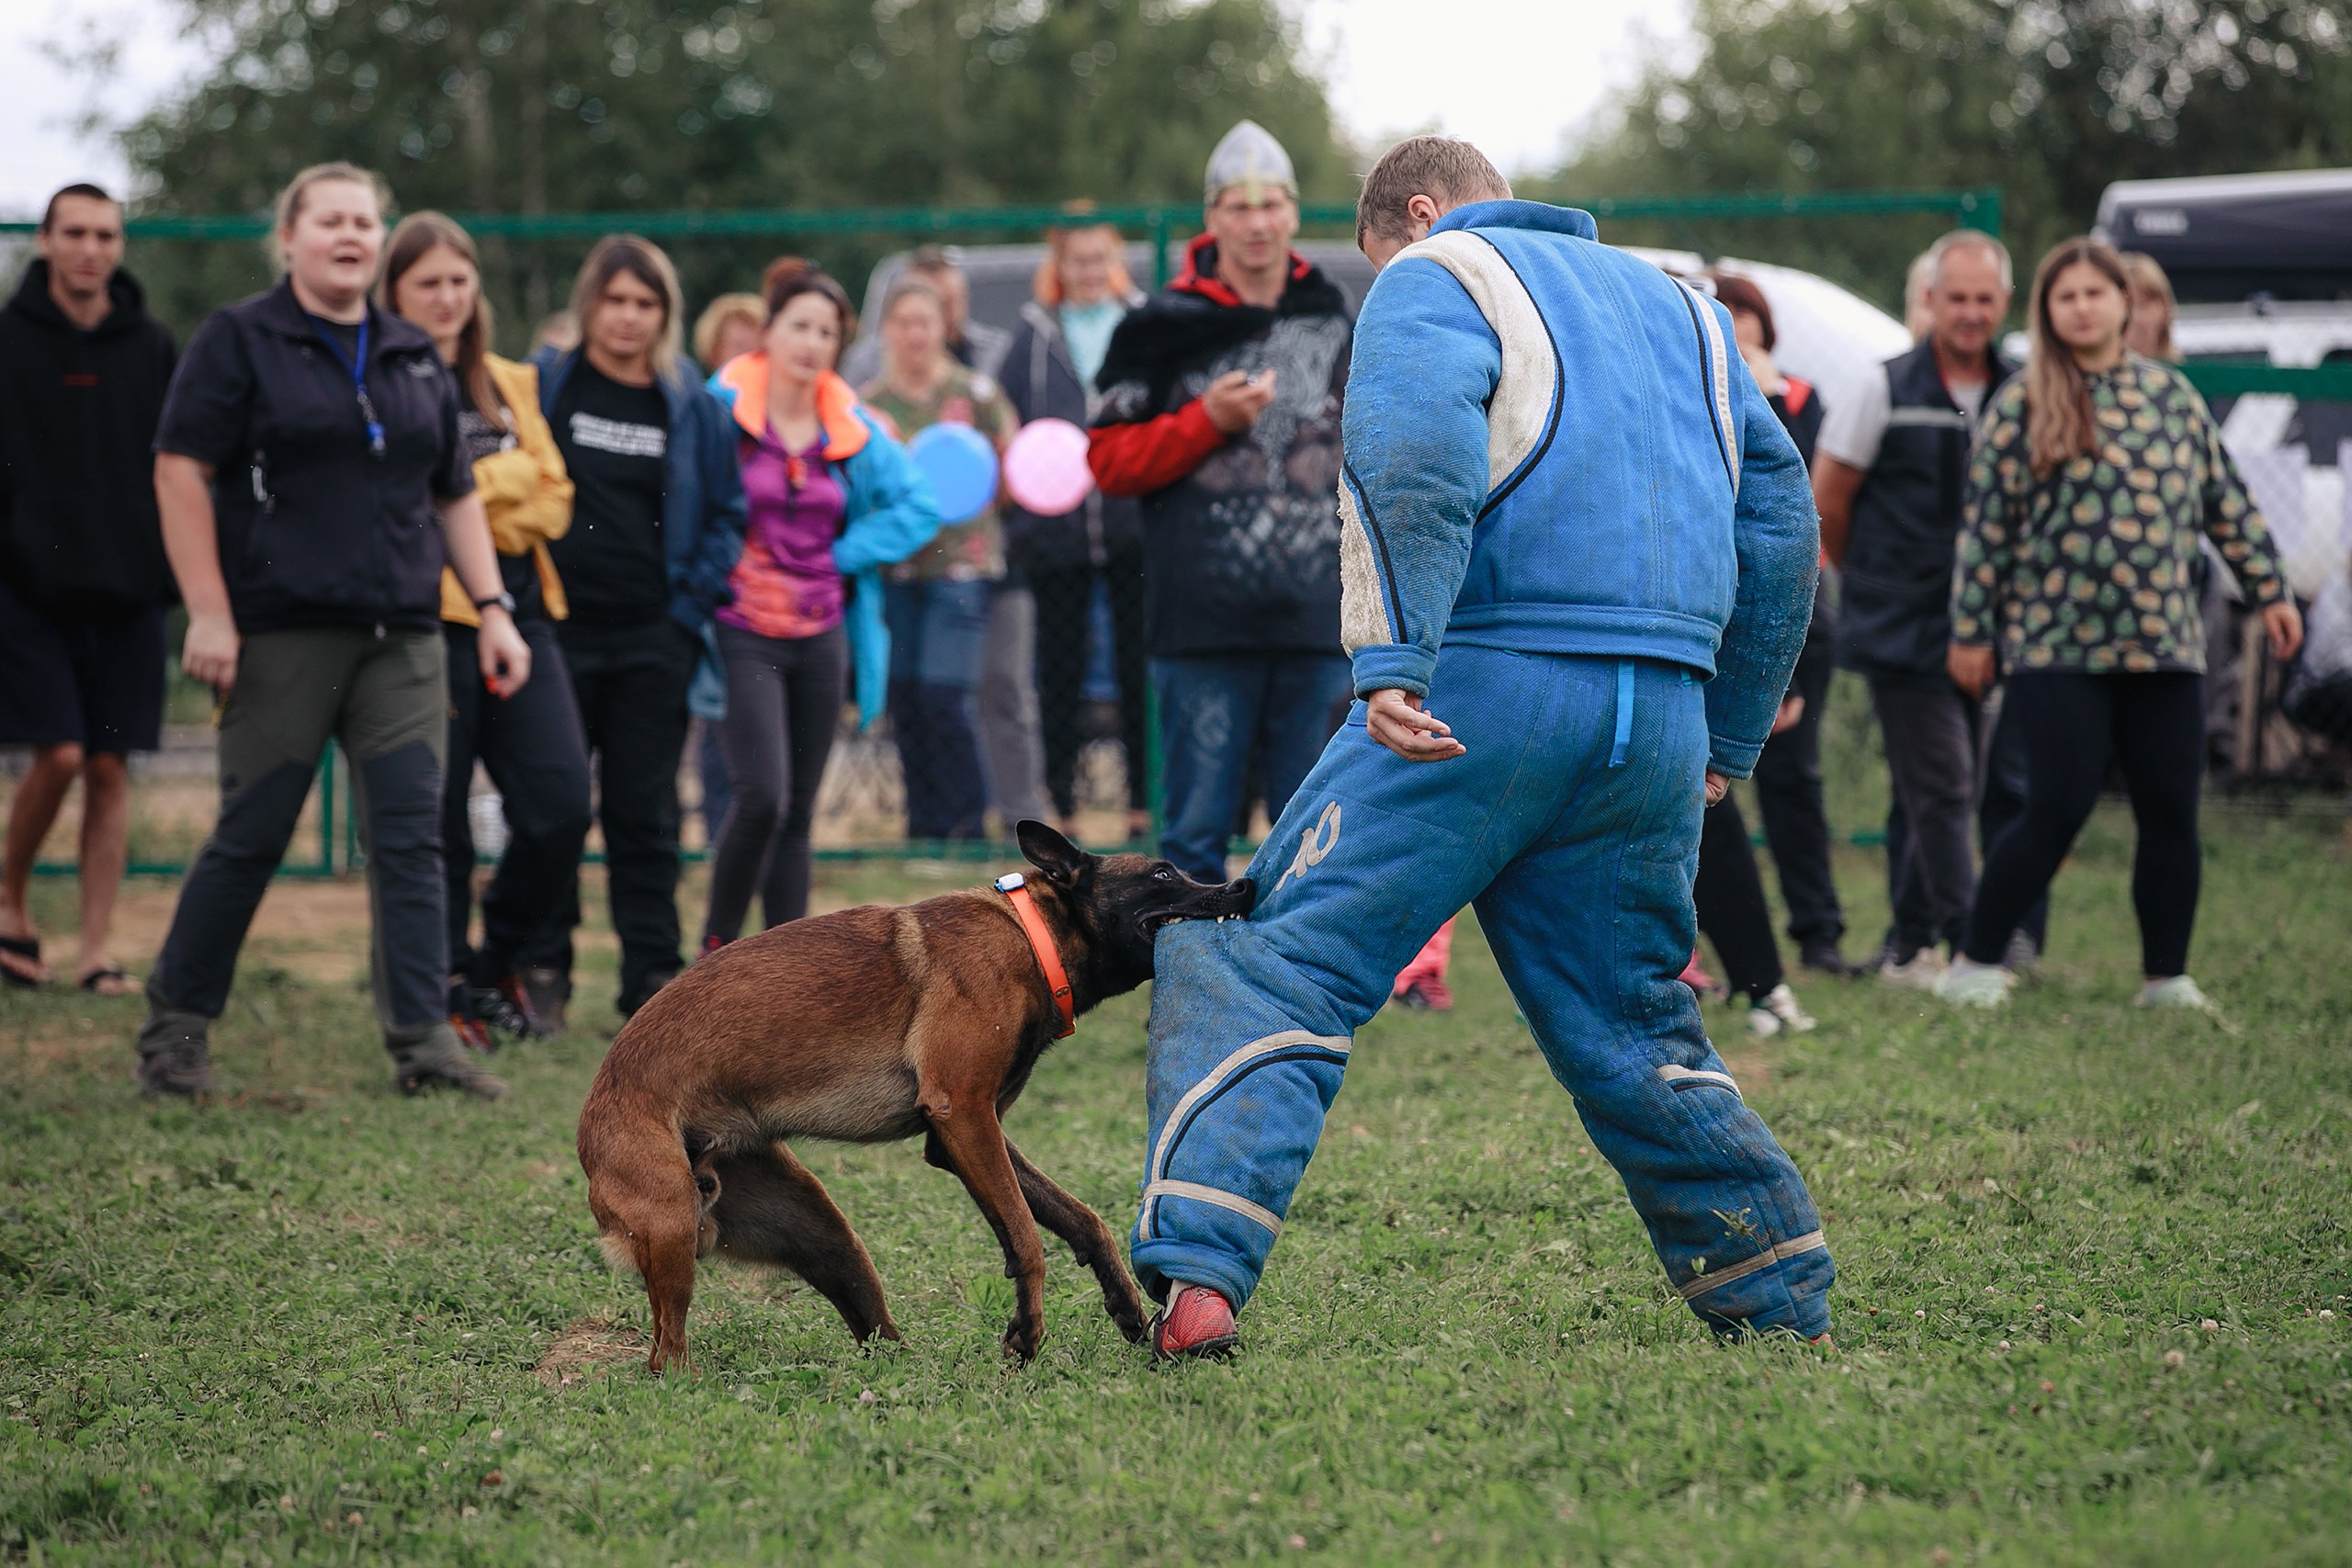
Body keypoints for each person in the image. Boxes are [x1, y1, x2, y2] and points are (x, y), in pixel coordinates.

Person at [1136, 137, 1830, 1359]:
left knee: (1268, 949)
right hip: (1657, 712)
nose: (1385, 279)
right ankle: (1777, 1289)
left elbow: (1412, 450)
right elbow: (1782, 515)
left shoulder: (1441, 268)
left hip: (1485, 688)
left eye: (1379, 259)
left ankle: (1199, 1272)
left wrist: (1392, 657)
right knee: (1633, 1019)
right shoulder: (1688, 306)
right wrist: (1726, 727)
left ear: (1417, 213)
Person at [138, 163, 528, 1100]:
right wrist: (210, 611)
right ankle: (175, 1035)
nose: (350, 234)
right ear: (291, 239)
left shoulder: (408, 351)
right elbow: (180, 471)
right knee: (253, 832)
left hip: (403, 638)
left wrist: (493, 609)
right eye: (330, 221)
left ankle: (424, 1044)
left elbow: (454, 492)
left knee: (409, 839)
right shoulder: (241, 339)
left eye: (364, 220)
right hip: (281, 634)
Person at [1939, 239, 2301, 1010]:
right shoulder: (2023, 403)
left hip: (2166, 646)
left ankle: (2165, 978)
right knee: (2056, 806)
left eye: (2093, 294)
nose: (2081, 307)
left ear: (2123, 303)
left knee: (2171, 812)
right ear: (2047, 311)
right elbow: (1985, 532)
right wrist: (1971, 631)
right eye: (2064, 296)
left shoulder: (2172, 397)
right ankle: (1973, 960)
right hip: (2056, 650)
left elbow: (2226, 504)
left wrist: (2271, 590)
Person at [1089, 119, 1353, 882]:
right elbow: (1106, 458)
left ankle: (1299, 1002)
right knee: (1194, 843)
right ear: (1212, 219)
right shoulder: (1158, 329)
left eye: (1270, 203)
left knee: (1316, 844)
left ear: (1294, 212)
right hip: (1202, 631)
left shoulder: (1335, 319)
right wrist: (1204, 423)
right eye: (1238, 206)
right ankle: (1189, 1000)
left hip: (1316, 627)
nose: (1257, 222)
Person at [381, 212, 590, 1044]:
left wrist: (468, 486)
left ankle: (495, 957)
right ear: (394, 293)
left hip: (520, 618)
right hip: (425, 621)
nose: (446, 297)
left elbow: (555, 499)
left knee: (563, 803)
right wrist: (491, 487)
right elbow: (410, 506)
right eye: (426, 283)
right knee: (439, 824)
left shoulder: (510, 382)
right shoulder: (384, 383)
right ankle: (442, 994)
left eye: (458, 281)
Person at [533, 236, 746, 1020]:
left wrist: (685, 612)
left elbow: (727, 513)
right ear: (590, 303)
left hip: (653, 637)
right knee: (552, 807)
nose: (627, 317)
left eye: (644, 303)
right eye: (614, 300)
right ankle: (541, 971)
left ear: (664, 313)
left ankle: (651, 983)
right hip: (554, 634)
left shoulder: (690, 403)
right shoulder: (547, 386)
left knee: (644, 813)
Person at [1815, 229, 2032, 988]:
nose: (1970, 313)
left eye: (1984, 299)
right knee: (1944, 785)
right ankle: (1972, 948)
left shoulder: (2021, 388)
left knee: (1938, 785)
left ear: (2003, 302)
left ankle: (1909, 945)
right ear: (1930, 300)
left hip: (1988, 624)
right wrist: (1874, 581)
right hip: (1900, 626)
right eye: (1956, 298)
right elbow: (1829, 500)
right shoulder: (1884, 386)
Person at [700, 263, 938, 944]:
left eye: (826, 332)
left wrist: (840, 556)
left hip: (822, 627)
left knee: (799, 811)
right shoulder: (721, 411)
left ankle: (785, 970)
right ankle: (712, 950)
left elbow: (919, 504)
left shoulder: (852, 425)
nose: (811, 342)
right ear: (768, 330)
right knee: (761, 796)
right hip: (742, 622)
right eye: (798, 325)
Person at [0, 184, 177, 995]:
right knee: (60, 754)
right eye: (74, 232)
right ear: (44, 241)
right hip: (26, 594)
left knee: (109, 769)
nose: (90, 248)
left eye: (105, 233)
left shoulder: (151, 347)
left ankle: (95, 951)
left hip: (129, 595)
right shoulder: (8, 340)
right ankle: (9, 906)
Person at [1708, 270, 1849, 983]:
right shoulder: (1689, 387)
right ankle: (1719, 956)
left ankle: (1817, 931)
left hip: (1792, 615)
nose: (1734, 325)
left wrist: (1762, 392)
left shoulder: (1797, 396)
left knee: (1793, 783)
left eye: (1746, 314)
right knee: (1704, 798)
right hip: (1712, 616)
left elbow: (1791, 496)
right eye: (1719, 312)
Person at [860, 276, 1025, 840]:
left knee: (943, 694)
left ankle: (964, 825)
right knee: (904, 695)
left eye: (923, 322)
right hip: (894, 570)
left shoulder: (975, 395)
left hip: (963, 569)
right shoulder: (868, 406)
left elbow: (1012, 470)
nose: (913, 334)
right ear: (887, 331)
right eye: (902, 322)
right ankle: (922, 828)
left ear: (942, 328)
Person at [1002, 220, 1152, 843]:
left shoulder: (1144, 326)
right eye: (1077, 261)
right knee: (1057, 672)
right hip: (1056, 530)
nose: (1089, 270)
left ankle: (1143, 802)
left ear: (1116, 263)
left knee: (1138, 665)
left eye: (1100, 259)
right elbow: (1006, 415)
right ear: (1059, 267)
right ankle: (1060, 805)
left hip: (1130, 522)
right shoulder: (1032, 335)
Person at [841, 244, 1013, 388]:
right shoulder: (865, 364)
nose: (918, 333)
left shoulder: (997, 354)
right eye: (916, 315)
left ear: (965, 299)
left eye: (947, 303)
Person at [2119, 253, 2178, 362]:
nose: (2131, 317)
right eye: (2124, 307)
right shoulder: (2091, 376)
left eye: (2141, 306)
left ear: (2163, 308)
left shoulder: (2184, 375)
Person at [693, 292, 765, 374]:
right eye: (740, 347)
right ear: (715, 351)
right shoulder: (694, 385)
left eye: (760, 349)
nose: (751, 357)